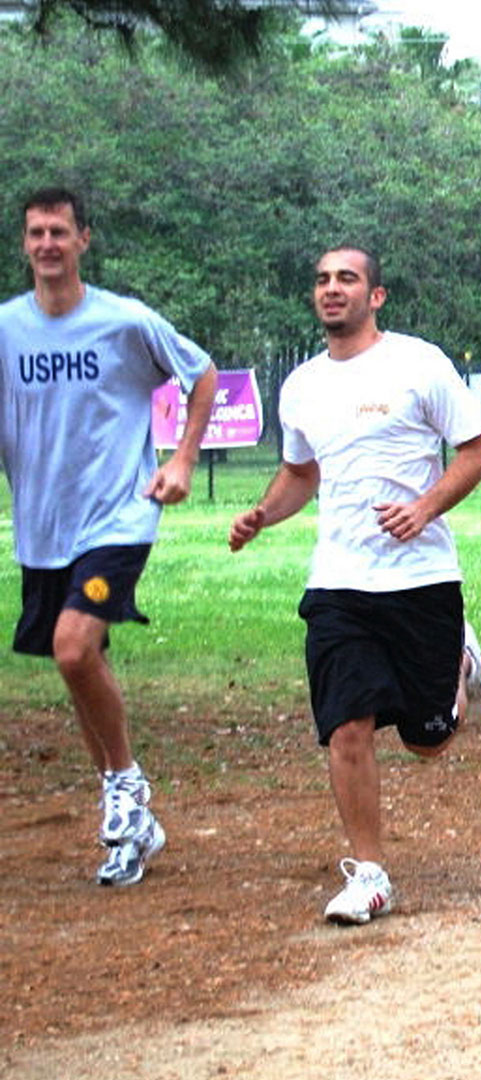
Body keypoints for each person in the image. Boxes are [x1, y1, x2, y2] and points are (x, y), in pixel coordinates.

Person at [229, 246, 481, 923]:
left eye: (346, 279)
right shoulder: (302, 385)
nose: (331, 289)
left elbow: (478, 453)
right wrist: (264, 513)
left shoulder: (418, 363)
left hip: (421, 578)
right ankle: (370, 873)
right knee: (346, 725)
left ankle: (462, 662)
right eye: (321, 279)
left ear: (375, 295)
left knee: (427, 744)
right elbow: (300, 473)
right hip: (339, 582)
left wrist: (425, 507)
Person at [0, 186, 218, 887]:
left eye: (59, 231)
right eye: (35, 233)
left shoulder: (123, 322)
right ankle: (131, 824)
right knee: (79, 662)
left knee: (72, 646)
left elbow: (202, 373)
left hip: (119, 517)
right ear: (25, 243)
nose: (46, 245)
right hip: (43, 527)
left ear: (83, 239)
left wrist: (182, 458)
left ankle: (125, 786)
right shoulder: (8, 330)